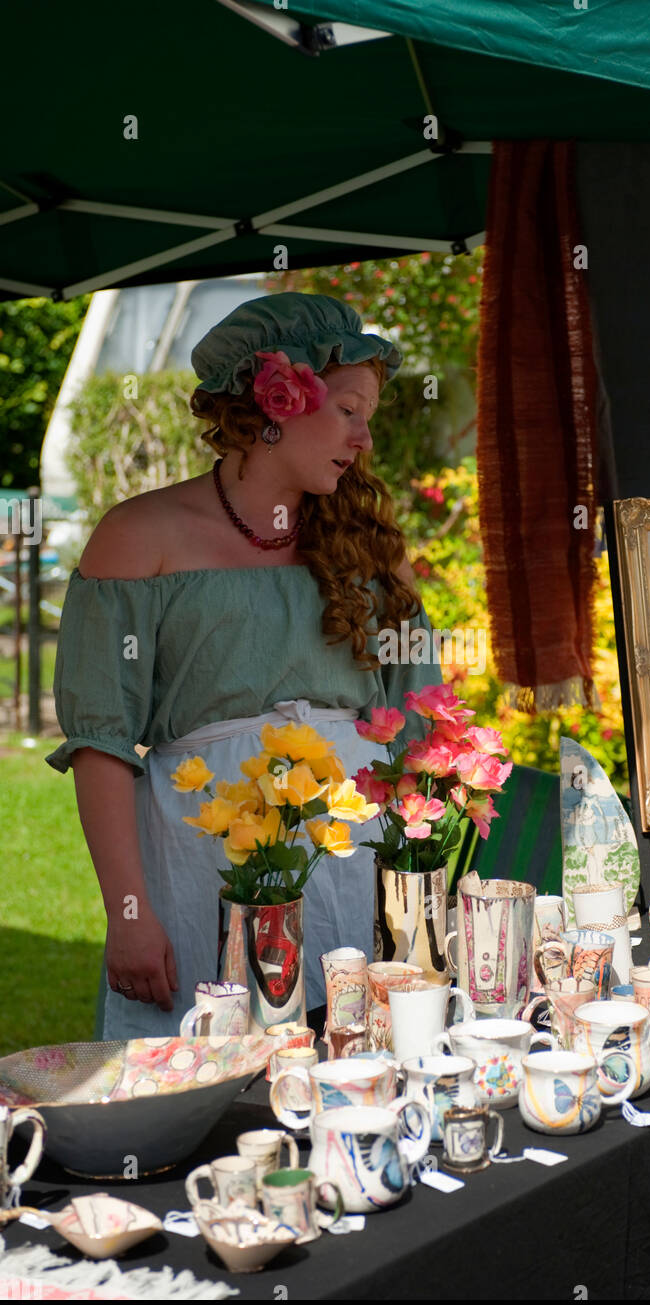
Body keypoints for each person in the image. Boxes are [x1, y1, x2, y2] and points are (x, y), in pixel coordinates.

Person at [46, 291, 442, 1039]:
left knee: (347, 1066)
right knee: (201, 1083)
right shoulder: (138, 536)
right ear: (276, 401)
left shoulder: (370, 548)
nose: (362, 439)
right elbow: (100, 740)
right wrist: (129, 913)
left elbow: (418, 729)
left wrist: (417, 892)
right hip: (198, 859)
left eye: (369, 418)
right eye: (348, 411)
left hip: (347, 855)